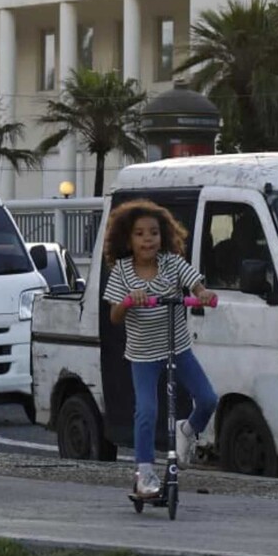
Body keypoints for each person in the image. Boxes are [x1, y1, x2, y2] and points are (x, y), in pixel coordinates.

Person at [102, 199, 219, 497]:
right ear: (128, 238)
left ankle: (187, 431)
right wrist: (129, 301)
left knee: (207, 398)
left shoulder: (171, 263)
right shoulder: (122, 272)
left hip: (177, 346)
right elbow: (114, 316)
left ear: (162, 236)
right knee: (146, 411)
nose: (147, 239)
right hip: (143, 354)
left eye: (153, 233)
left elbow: (195, 285)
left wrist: (203, 294)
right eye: (140, 234)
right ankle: (144, 471)